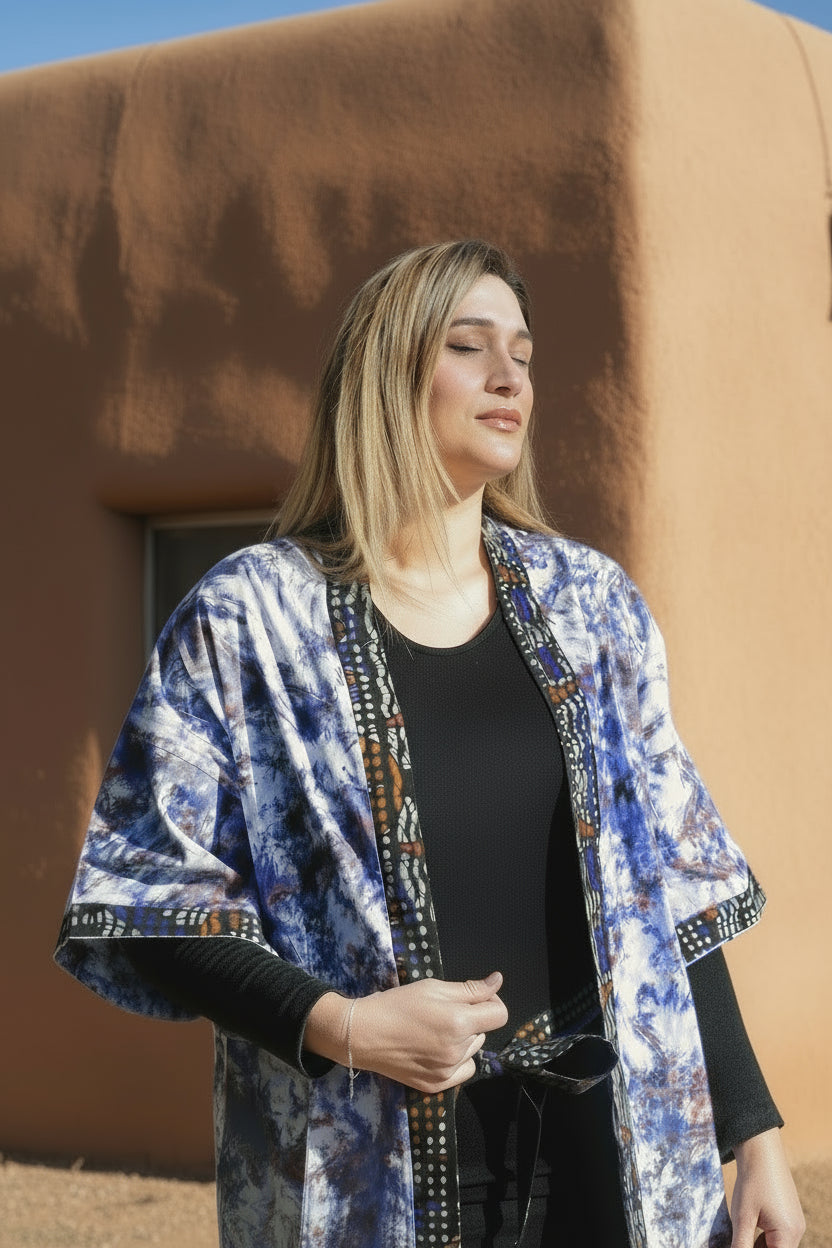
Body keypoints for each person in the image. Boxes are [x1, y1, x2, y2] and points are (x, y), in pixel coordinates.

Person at [56, 240, 805, 1248]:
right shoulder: (249, 621)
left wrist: (750, 1134)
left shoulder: (590, 607)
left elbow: (670, 886)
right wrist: (345, 1026)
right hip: (361, 1178)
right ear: (386, 373)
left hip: (613, 1161)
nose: (511, 378)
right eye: (470, 346)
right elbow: (148, 903)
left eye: (525, 355)